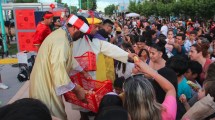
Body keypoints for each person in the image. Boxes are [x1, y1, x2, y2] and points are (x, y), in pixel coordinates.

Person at [29, 15, 90, 120]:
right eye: (80, 34)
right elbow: (58, 70)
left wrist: (83, 71)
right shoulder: (61, 41)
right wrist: (77, 90)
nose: (80, 37)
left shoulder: (62, 35)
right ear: (75, 28)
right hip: (45, 86)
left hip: (48, 81)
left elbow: (68, 59)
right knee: (54, 115)